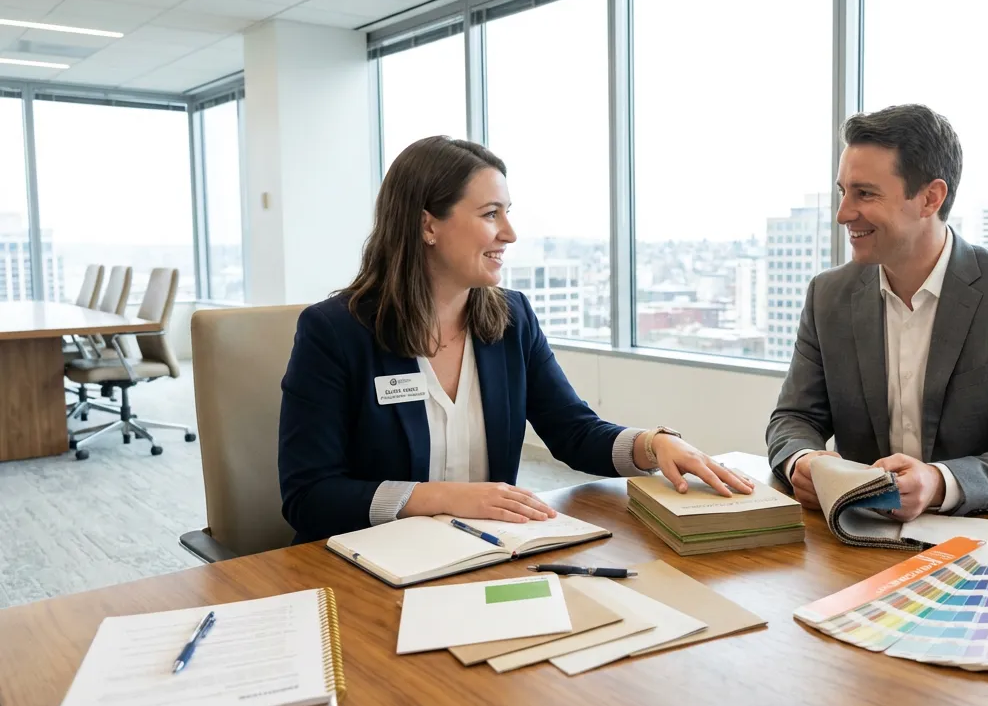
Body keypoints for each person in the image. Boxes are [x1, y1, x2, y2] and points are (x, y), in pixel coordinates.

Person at [279, 136, 752, 543]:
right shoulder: (334, 332)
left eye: (508, 213)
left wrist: (652, 444)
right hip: (366, 565)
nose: (510, 233)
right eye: (490, 214)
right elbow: (309, 496)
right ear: (427, 225)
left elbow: (573, 432)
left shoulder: (511, 318)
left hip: (483, 553)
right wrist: (443, 498)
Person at [766, 104, 988, 521]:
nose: (843, 214)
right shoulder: (828, 295)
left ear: (930, 198)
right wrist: (802, 461)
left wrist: (938, 482)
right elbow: (794, 417)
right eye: (843, 192)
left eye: (865, 193)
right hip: (862, 533)